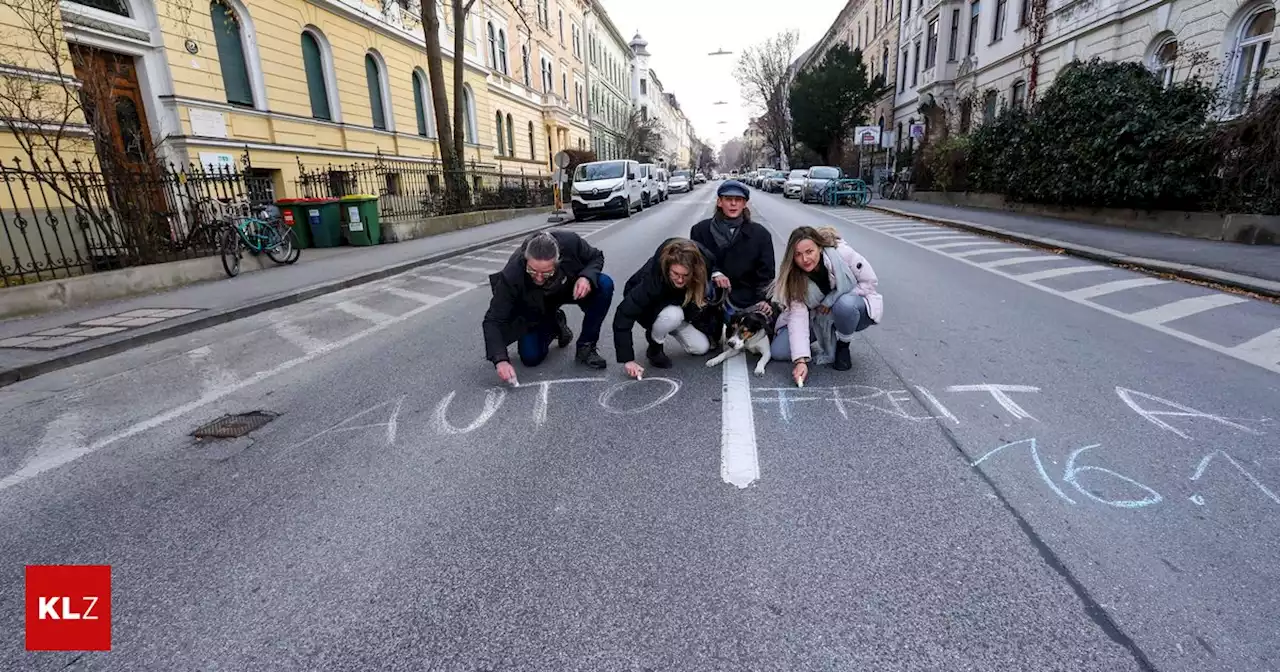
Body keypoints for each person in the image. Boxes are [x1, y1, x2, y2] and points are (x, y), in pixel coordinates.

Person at [483, 230, 612, 384]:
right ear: (526, 260)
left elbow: (596, 257)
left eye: (546, 273)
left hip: (569, 288)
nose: (538, 278)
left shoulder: (571, 242)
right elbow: (493, 319)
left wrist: (586, 277)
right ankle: (556, 323)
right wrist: (500, 360)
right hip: (537, 306)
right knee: (530, 357)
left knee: (604, 284)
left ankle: (586, 346)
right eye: (532, 271)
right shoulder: (512, 273)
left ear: (558, 261)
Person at [771, 226, 883, 386]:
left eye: (809, 251)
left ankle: (843, 346)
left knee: (843, 304)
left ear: (820, 247)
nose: (805, 259)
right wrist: (800, 361)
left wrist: (832, 300)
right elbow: (798, 318)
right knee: (778, 351)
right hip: (818, 317)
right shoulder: (795, 279)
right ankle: (828, 341)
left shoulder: (841, 254)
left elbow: (870, 282)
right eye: (798, 255)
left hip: (854, 310)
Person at [612, 237, 717, 379]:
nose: (680, 280)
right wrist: (628, 360)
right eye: (676, 274)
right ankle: (655, 345)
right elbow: (624, 315)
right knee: (673, 314)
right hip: (650, 309)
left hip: (679, 307)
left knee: (701, 347)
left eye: (685, 275)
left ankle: (670, 324)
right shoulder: (651, 280)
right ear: (667, 268)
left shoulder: (706, 261)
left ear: (695, 270)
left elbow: (717, 267)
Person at [689, 179, 776, 343]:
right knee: (704, 345)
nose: (733, 204)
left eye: (738, 200)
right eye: (729, 199)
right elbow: (696, 263)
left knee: (760, 334)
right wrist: (715, 272)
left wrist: (764, 299)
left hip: (746, 295)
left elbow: (766, 271)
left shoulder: (761, 234)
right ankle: (709, 326)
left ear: (745, 204)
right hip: (712, 295)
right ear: (720, 202)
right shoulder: (700, 230)